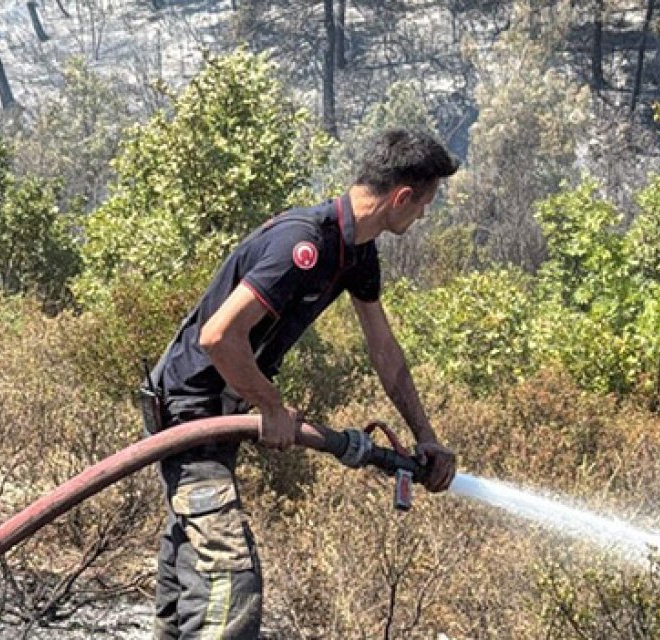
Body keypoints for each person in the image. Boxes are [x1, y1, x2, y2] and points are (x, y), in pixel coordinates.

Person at [141, 128, 460, 639]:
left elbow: (386, 352)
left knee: (191, 563)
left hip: (215, 415)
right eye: (423, 205)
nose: (422, 216)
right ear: (402, 196)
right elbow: (218, 337)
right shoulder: (303, 244)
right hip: (190, 413)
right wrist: (269, 406)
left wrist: (424, 434)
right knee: (229, 577)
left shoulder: (357, 251)